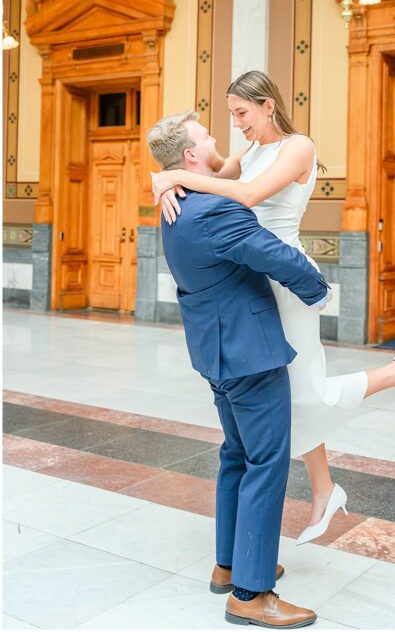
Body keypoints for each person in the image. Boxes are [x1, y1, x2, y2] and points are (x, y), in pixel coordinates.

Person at [150, 72, 395, 546]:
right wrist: (166, 181)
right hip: (253, 273)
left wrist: (174, 175)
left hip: (285, 272)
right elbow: (204, 173)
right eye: (231, 114)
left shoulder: (298, 147)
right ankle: (324, 489)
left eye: (242, 113)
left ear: (267, 105)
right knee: (291, 397)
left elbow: (246, 195)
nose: (236, 123)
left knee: (304, 396)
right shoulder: (249, 150)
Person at [147, 111, 323, 627]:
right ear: (190, 156)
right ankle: (250, 593)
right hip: (250, 351)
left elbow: (232, 170)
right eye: (206, 135)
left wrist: (167, 178)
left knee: (237, 456)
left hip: (214, 350)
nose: (217, 136)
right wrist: (318, 291)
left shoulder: (175, 204)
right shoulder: (214, 210)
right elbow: (272, 254)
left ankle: (230, 565)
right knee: (267, 463)